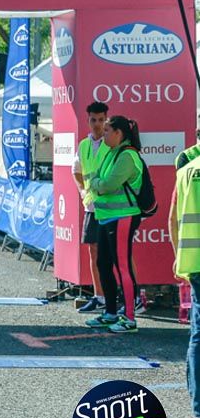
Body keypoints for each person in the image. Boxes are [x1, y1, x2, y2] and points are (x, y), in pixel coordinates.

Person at [85, 116, 145, 334]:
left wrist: (96, 184)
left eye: (108, 130)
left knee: (122, 267)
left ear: (119, 133)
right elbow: (99, 179)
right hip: (107, 216)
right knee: (103, 264)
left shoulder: (127, 155)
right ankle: (110, 312)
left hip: (123, 217)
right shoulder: (112, 152)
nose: (104, 133)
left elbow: (107, 183)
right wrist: (97, 183)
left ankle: (129, 317)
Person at [168, 142, 200, 418]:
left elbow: (173, 217)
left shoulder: (186, 167)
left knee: (198, 333)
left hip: (194, 260)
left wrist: (179, 257)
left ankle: (198, 403)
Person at [73, 102, 111, 314]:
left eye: (101, 120)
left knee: (119, 254)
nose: (97, 124)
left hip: (114, 208)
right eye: (93, 120)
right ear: (87, 120)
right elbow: (76, 171)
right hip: (92, 207)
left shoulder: (113, 142)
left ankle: (131, 297)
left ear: (107, 119)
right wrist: (82, 191)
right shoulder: (84, 145)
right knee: (93, 252)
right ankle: (100, 297)